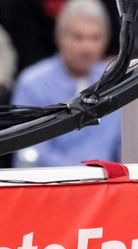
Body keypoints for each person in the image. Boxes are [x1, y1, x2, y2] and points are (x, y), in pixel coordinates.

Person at [10, 0, 120, 167]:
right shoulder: (32, 84)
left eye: (95, 37)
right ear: (59, 36)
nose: (87, 47)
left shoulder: (115, 81)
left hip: (108, 186)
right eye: (78, 37)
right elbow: (29, 153)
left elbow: (123, 145)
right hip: (51, 184)